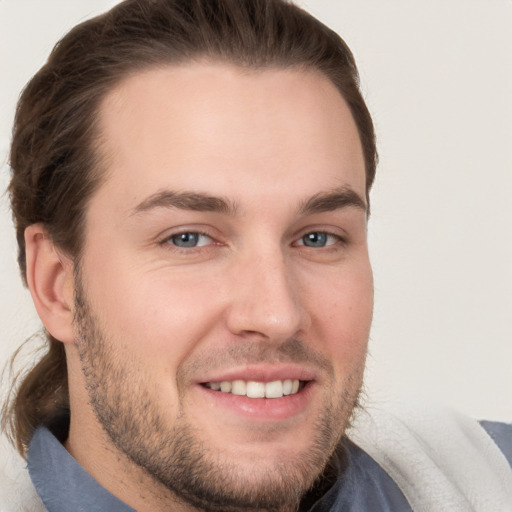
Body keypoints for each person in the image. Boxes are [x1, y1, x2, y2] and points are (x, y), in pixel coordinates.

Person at [0, 1, 510, 511]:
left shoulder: (492, 478)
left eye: (318, 238)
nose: (277, 314)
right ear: (57, 285)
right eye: (189, 239)